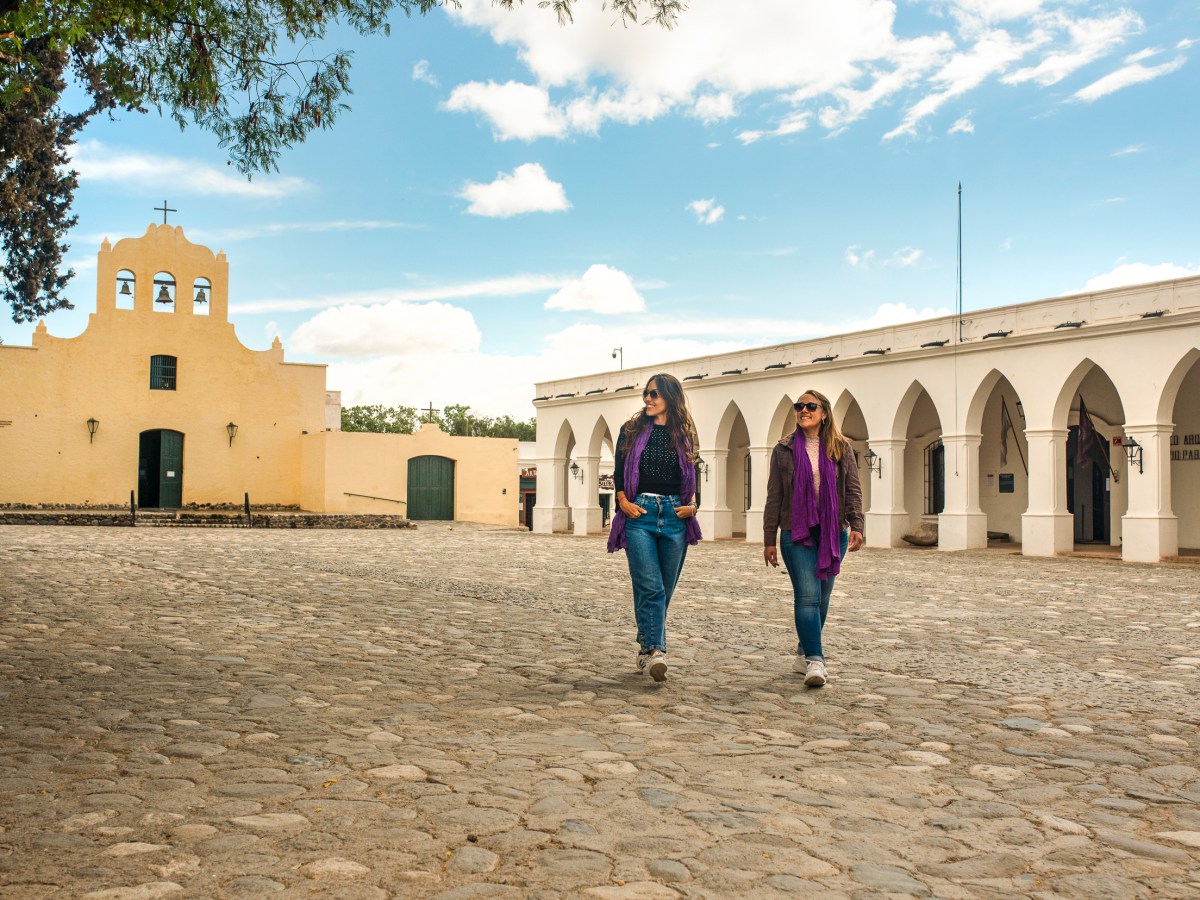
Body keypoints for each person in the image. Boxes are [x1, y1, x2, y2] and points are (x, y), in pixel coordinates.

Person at [763, 389, 864, 686]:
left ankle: (803, 650)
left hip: (834, 533)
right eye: (799, 406)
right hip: (796, 532)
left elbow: (853, 489)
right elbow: (774, 496)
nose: (803, 410)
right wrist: (769, 537)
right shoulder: (784, 449)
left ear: (824, 413)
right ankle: (815, 661)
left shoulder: (840, 448)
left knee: (822, 598)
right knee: (807, 596)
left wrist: (857, 523)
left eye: (810, 406)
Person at [607, 374, 702, 682]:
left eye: (654, 394)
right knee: (651, 587)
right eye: (646, 394)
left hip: (676, 515)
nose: (647, 399)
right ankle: (655, 651)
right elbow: (620, 470)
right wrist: (621, 499)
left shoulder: (684, 433)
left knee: (663, 590)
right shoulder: (631, 430)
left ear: (670, 398)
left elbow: (694, 469)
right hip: (640, 514)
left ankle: (646, 648)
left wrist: (694, 503)